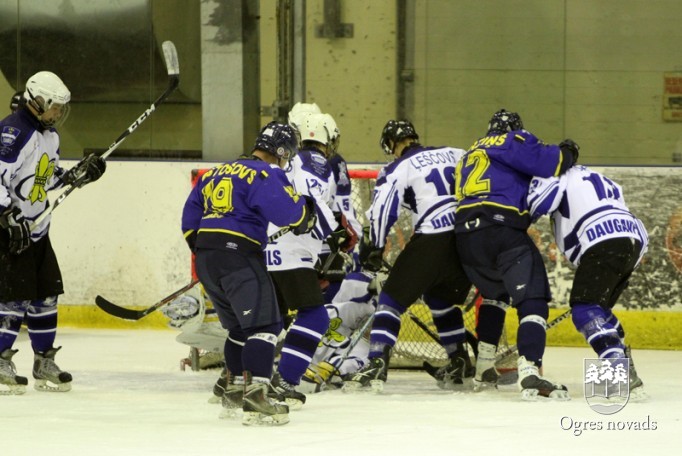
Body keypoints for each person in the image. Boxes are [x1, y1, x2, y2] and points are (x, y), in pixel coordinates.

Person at [181, 121, 316, 426]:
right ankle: (257, 397)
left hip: (207, 258)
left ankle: (234, 391)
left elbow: (189, 220)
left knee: (239, 330)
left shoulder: (214, 172)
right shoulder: (265, 172)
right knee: (266, 324)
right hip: (238, 256)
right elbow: (288, 213)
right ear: (281, 151)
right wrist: (304, 213)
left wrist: (210, 252)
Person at [453, 108, 578, 401]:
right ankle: (530, 369)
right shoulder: (511, 140)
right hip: (500, 228)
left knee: (494, 294)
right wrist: (569, 150)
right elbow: (551, 162)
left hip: (466, 238)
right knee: (533, 296)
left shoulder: (468, 154)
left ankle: (484, 367)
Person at [343, 120, 473, 393]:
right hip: (466, 239)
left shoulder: (398, 167)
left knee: (390, 300)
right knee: (441, 300)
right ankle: (459, 360)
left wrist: (376, 245)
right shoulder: (455, 152)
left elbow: (383, 209)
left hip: (432, 239)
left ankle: (376, 362)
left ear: (391, 144)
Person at [0, 71, 106, 395]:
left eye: (61, 107)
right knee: (14, 297)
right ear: (38, 101)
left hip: (38, 229)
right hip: (11, 231)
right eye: (55, 106)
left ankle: (43, 361)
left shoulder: (50, 136)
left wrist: (76, 175)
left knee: (46, 295)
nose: (59, 112)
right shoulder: (14, 132)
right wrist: (6, 215)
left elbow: (45, 177)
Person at [527, 164, 648, 400]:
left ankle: (619, 371)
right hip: (633, 238)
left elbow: (538, 203)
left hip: (602, 237)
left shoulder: (554, 172)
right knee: (599, 310)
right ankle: (624, 361)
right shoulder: (593, 175)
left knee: (585, 310)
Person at [265, 112, 357, 409]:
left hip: (266, 248)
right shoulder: (316, 161)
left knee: (271, 320)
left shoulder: (288, 159)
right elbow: (311, 204)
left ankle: (239, 380)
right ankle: (284, 382)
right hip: (291, 251)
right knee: (315, 316)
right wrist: (336, 234)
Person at [288, 103, 362, 301]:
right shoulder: (330, 160)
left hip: (299, 242)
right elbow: (341, 208)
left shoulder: (288, 159)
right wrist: (351, 237)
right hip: (323, 237)